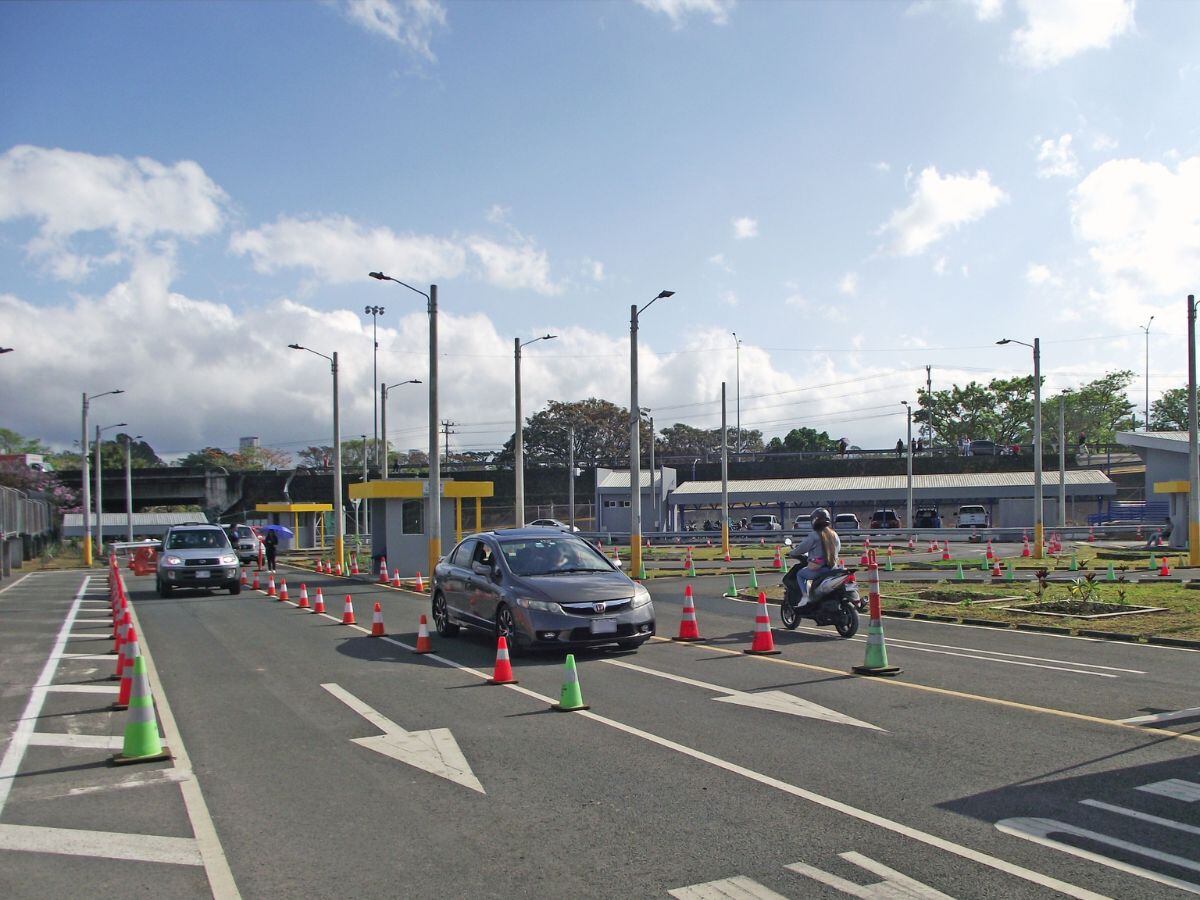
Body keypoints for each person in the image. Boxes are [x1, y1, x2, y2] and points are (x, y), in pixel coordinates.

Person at [793, 510, 841, 608]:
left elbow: (802, 548)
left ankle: (805, 597)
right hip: (833, 568)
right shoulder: (834, 534)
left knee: (800, 574)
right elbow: (838, 548)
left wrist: (792, 552)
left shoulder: (814, 535)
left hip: (819, 569)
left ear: (814, 520)